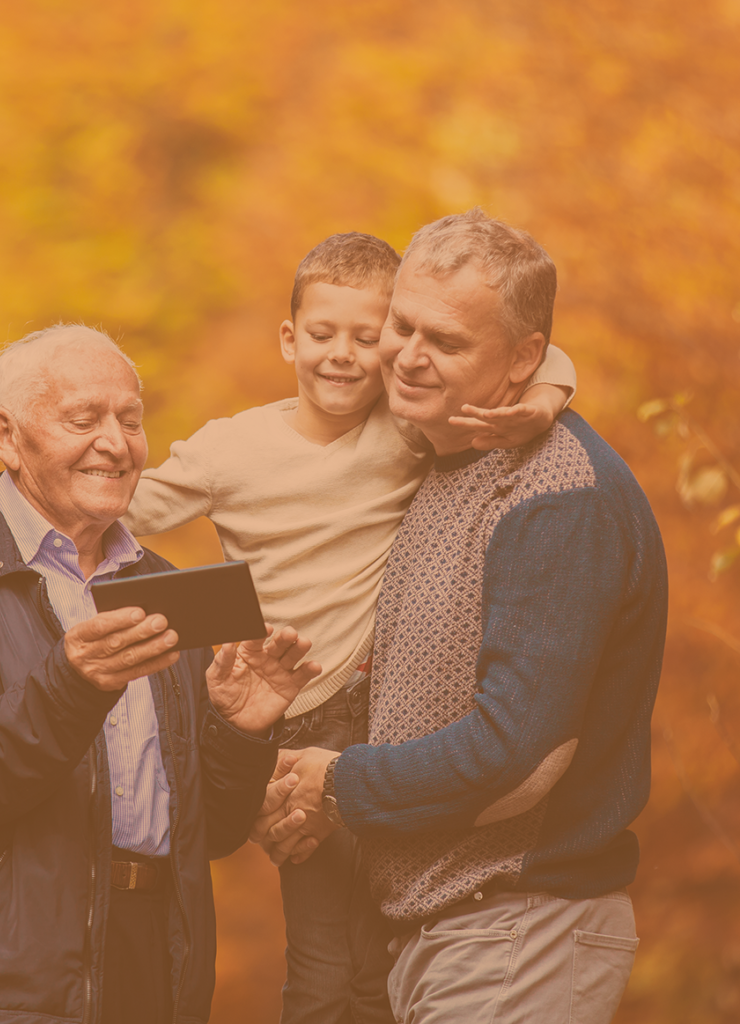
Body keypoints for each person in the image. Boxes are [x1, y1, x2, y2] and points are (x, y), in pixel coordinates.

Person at [118, 232, 577, 1024]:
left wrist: (546, 395)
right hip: (296, 720)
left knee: (388, 948)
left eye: (369, 338)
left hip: (389, 711)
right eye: (323, 335)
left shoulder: (401, 431)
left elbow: (528, 354)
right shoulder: (231, 450)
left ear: (392, 344)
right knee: (325, 959)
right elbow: (117, 511)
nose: (344, 356)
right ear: (289, 338)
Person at [254, 209, 667, 1024]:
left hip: (520, 927)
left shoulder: (554, 497)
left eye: (443, 342)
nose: (406, 356)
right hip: (440, 936)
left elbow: (521, 750)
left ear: (522, 360)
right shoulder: (435, 462)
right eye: (400, 326)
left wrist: (335, 783)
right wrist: (298, 792)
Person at [0, 324, 322, 1024]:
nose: (116, 442)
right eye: (82, 419)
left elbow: (207, 832)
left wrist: (237, 729)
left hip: (149, 970)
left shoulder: (162, 586)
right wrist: (74, 684)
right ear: (6, 437)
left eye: (130, 420)